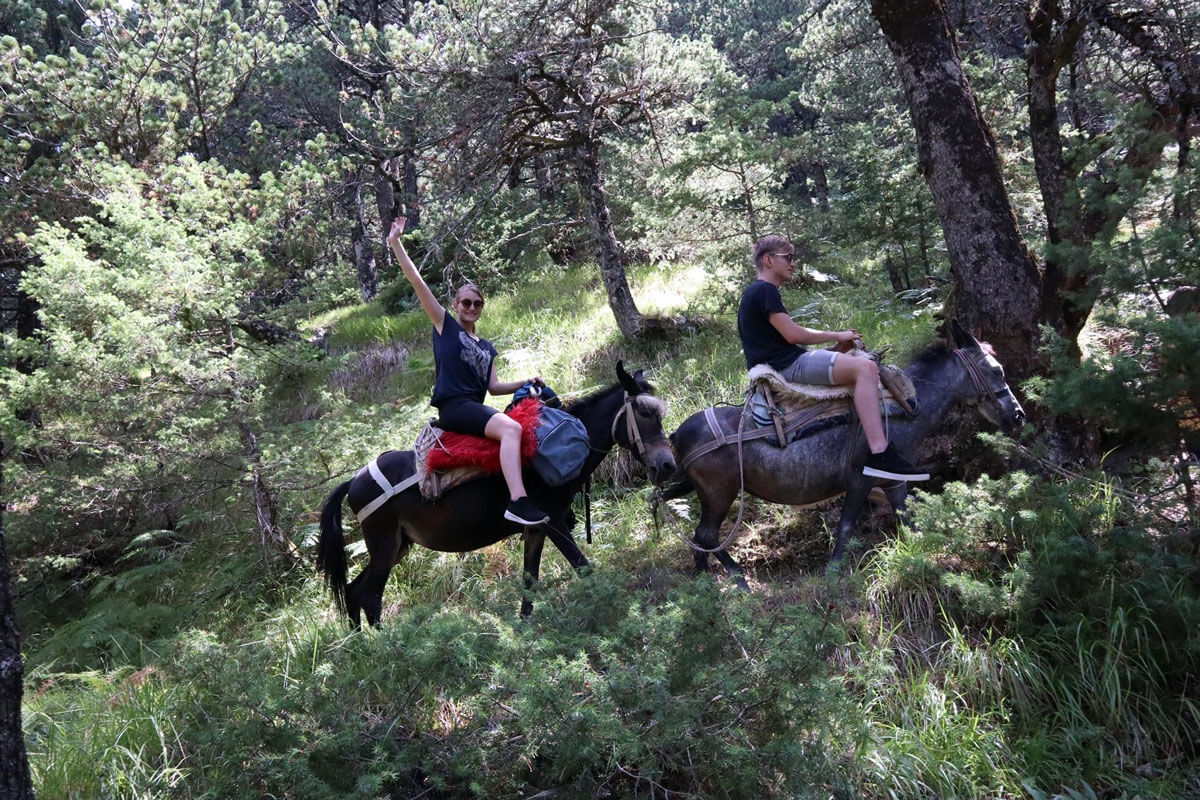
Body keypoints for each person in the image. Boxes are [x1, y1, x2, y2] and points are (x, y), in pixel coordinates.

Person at [386, 217, 551, 525]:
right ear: (455, 303)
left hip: (475, 405)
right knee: (511, 429)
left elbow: (494, 387)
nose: (472, 307)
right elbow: (416, 281)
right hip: (454, 407)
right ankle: (518, 501)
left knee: (525, 426)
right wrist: (395, 242)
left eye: (477, 304)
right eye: (466, 302)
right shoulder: (444, 325)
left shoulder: (486, 346)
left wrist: (526, 380)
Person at [737, 234, 929, 482]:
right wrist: (838, 333)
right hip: (786, 367)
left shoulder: (757, 292)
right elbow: (794, 335)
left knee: (857, 365)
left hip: (786, 361)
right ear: (769, 260)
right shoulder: (764, 290)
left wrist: (837, 347)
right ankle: (880, 454)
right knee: (865, 369)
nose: (794, 263)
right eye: (789, 258)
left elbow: (784, 346)